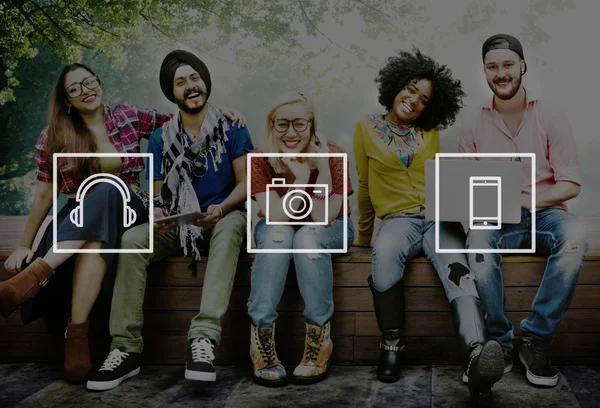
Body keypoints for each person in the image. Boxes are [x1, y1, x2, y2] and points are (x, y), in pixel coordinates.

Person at [86, 50, 253, 391]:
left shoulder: (232, 126)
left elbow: (247, 182)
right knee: (134, 239)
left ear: (205, 82)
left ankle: (203, 339)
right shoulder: (162, 138)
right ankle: (125, 347)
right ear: (172, 93)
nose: (190, 86)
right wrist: (160, 215)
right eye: (180, 82)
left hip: (222, 220)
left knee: (235, 222)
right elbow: (157, 192)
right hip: (181, 226)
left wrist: (220, 208)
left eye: (195, 78)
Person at [0, 63, 171, 383]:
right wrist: (25, 243)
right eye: (75, 88)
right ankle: (76, 334)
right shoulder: (53, 136)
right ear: (66, 100)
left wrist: (222, 114)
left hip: (130, 207)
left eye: (89, 82)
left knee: (107, 187)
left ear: (99, 83)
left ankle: (28, 281)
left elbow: (184, 123)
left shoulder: (129, 116)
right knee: (94, 234)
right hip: (77, 215)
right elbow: (44, 196)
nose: (85, 90)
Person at [354, 49, 504, 405]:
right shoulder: (366, 128)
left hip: (437, 217)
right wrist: (363, 235)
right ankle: (391, 343)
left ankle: (475, 354)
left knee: (460, 273)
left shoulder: (431, 132)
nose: (414, 101)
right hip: (398, 220)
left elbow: (439, 179)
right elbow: (363, 184)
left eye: (423, 100)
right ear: (395, 86)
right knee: (386, 251)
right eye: (410, 90)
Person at [460, 34, 588, 388]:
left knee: (576, 236)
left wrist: (527, 201)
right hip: (497, 216)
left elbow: (571, 185)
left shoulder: (550, 115)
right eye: (492, 67)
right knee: (478, 242)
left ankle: (536, 340)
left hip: (545, 214)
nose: (500, 74)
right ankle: (499, 342)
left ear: (522, 67)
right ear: (484, 71)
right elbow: (465, 187)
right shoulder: (473, 122)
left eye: (507, 65)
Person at [247, 91, 354, 387]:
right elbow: (274, 214)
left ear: (313, 126)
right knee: (280, 237)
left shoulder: (333, 154)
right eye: (282, 124)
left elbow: (323, 216)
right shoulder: (259, 159)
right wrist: (303, 178)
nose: (291, 133)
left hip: (329, 228)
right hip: (279, 226)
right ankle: (262, 341)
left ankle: (319, 342)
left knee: (307, 237)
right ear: (271, 126)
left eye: (299, 124)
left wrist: (320, 172)